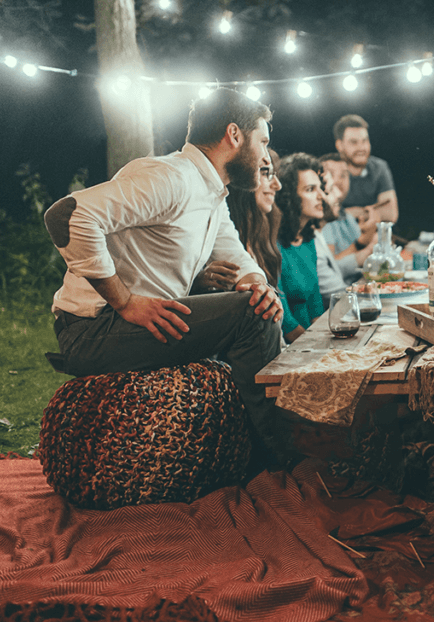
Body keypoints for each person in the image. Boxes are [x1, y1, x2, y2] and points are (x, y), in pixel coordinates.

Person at [43, 87, 296, 472]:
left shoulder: (210, 193)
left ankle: (273, 441)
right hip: (92, 329)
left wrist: (257, 283)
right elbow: (67, 216)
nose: (265, 156)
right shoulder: (170, 178)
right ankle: (283, 455)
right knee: (252, 316)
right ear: (234, 135)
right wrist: (124, 301)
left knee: (260, 304)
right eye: (263, 142)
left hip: (138, 325)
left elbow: (236, 254)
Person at [276, 153, 365, 341]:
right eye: (310, 189)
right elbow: (286, 323)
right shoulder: (275, 245)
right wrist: (318, 346)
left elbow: (316, 308)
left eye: (320, 188)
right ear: (290, 196)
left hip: (313, 338)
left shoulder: (308, 241)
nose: (321, 196)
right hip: (291, 348)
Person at [194, 151, 283, 291]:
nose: (277, 185)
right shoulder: (212, 233)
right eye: (266, 174)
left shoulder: (265, 235)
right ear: (242, 178)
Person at [334, 115, 399, 225]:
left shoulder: (379, 167)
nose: (361, 147)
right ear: (340, 145)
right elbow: (323, 217)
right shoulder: (329, 169)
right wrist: (372, 211)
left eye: (365, 141)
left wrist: (347, 213)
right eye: (353, 142)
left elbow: (391, 214)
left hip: (372, 237)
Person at [318, 152, 376, 271]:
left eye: (343, 175)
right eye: (331, 174)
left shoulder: (346, 216)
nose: (338, 181)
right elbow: (328, 268)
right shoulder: (321, 218)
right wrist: (364, 245)